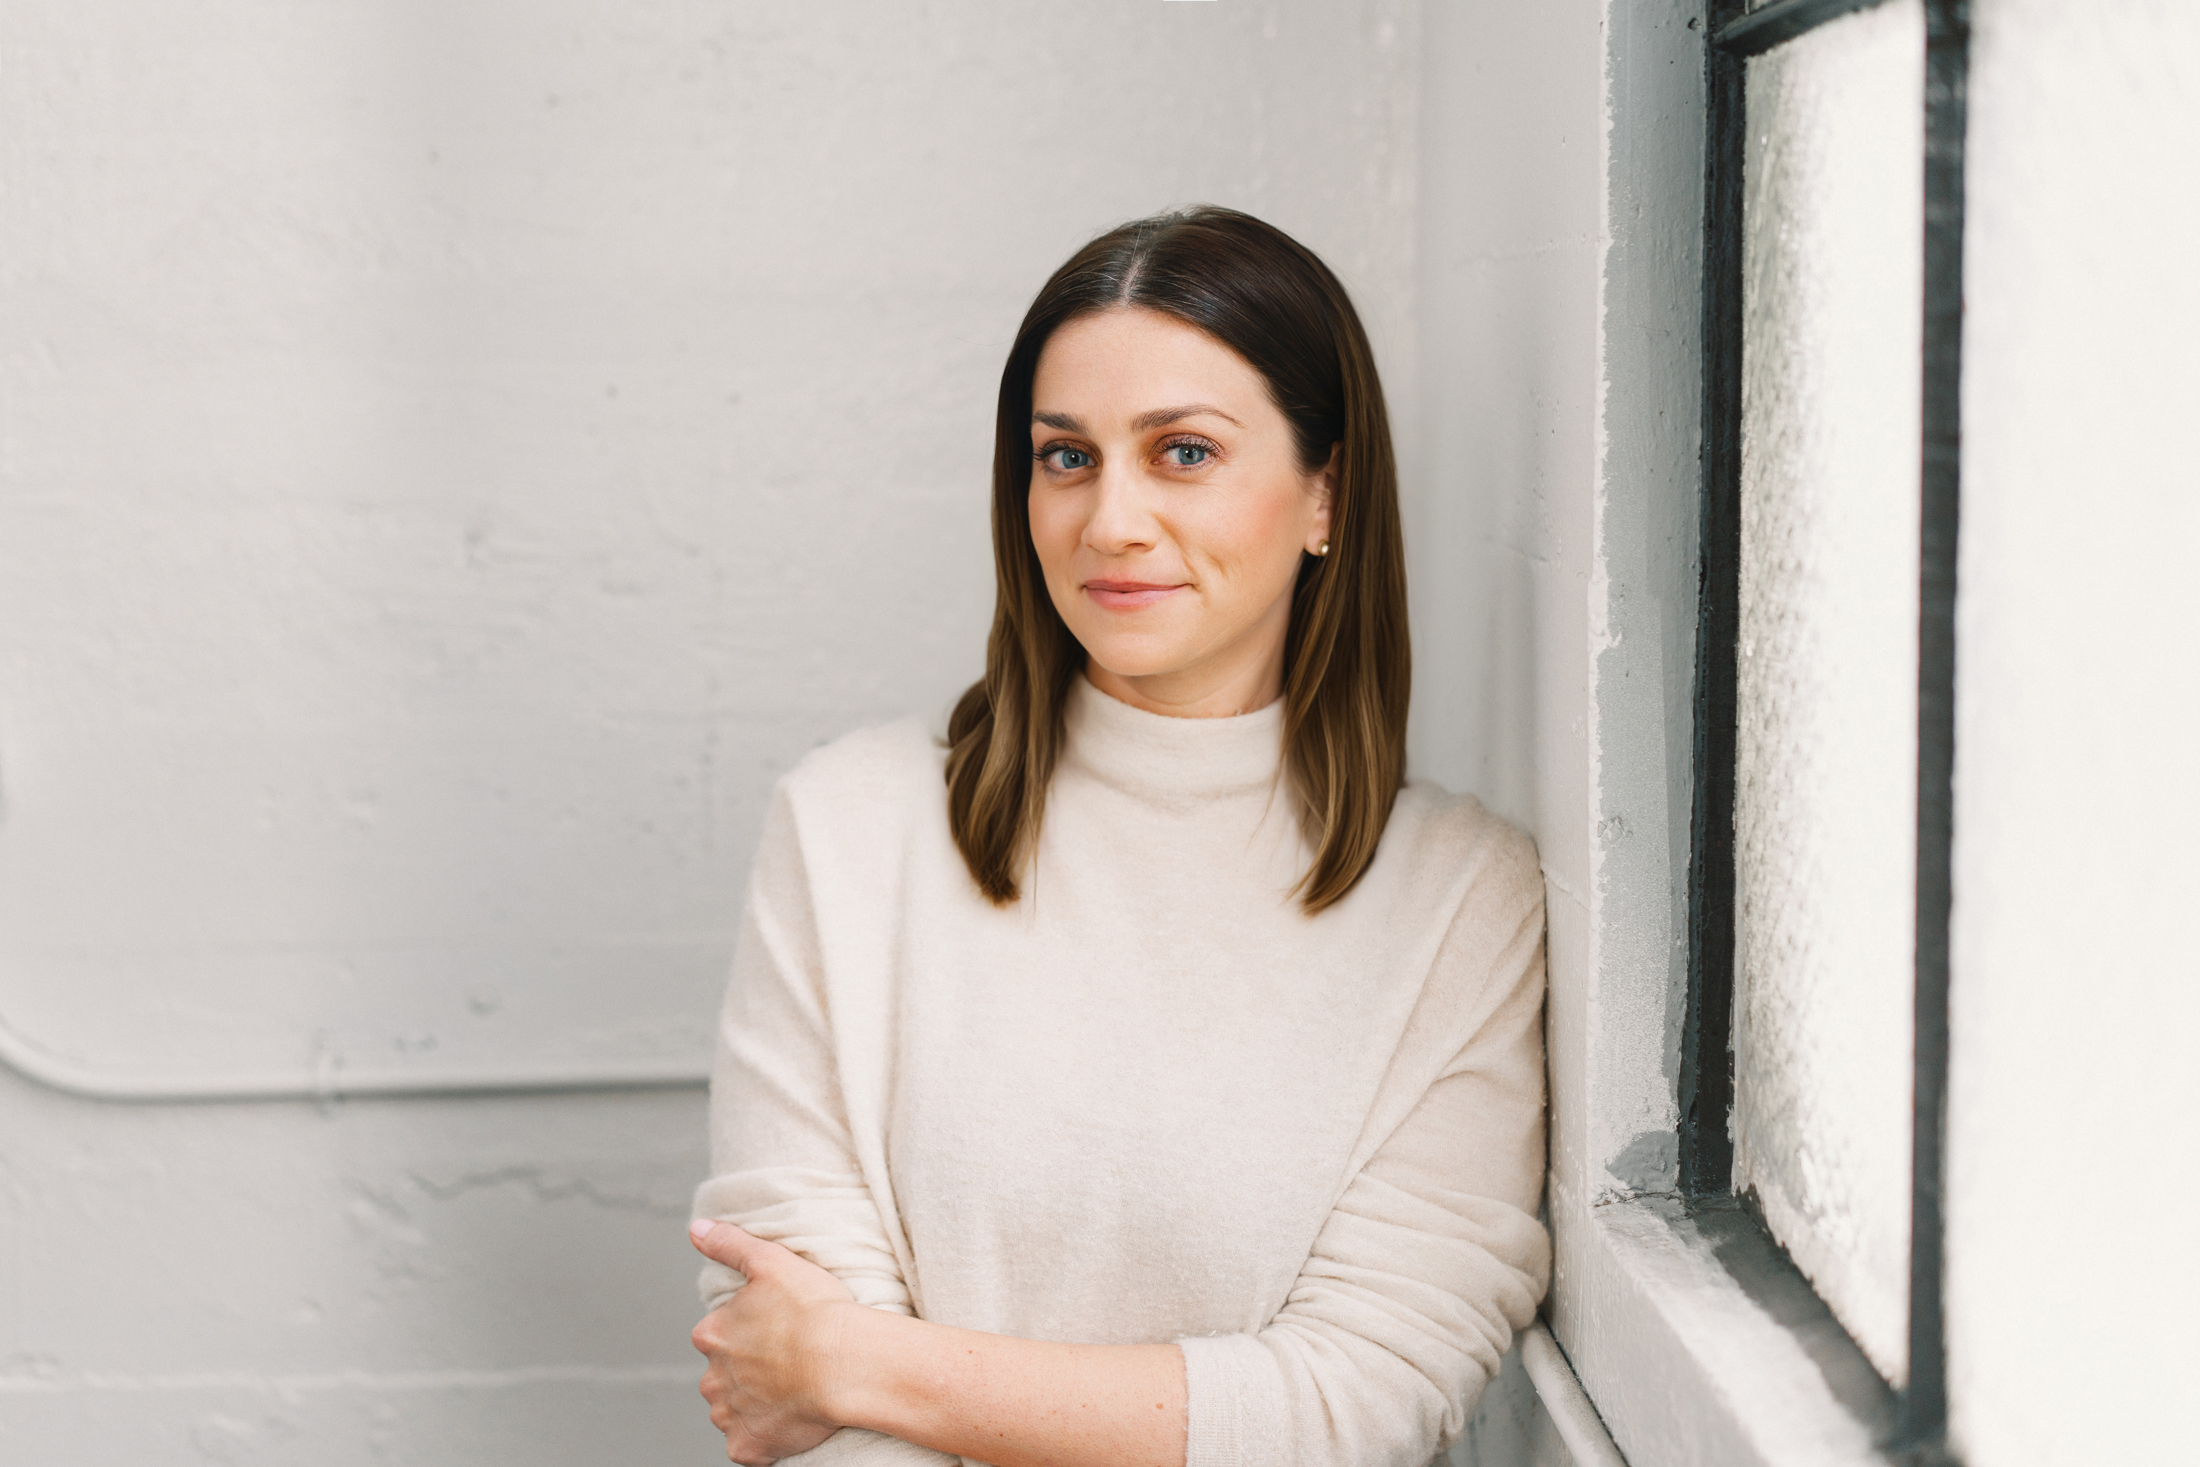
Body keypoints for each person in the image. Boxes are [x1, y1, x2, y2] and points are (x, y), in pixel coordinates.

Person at [685, 206, 1549, 1467]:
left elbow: (1354, 1408)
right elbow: (790, 1372)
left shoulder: (1464, 902)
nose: (1111, 521)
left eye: (1184, 452)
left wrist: (871, 1365)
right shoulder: (847, 829)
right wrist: (839, 1373)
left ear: (1327, 494)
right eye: (1066, 456)